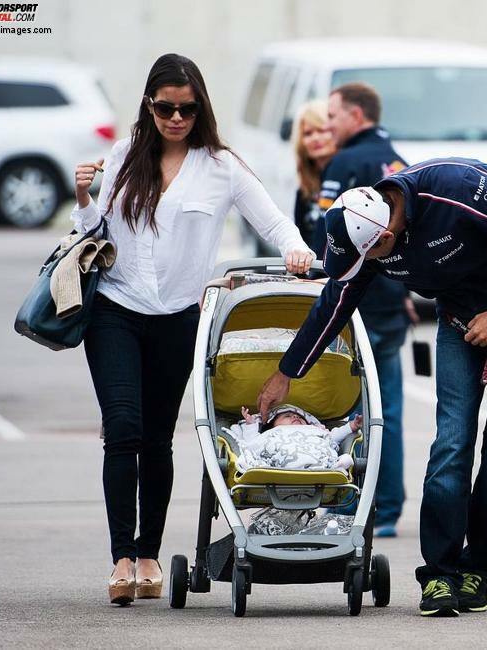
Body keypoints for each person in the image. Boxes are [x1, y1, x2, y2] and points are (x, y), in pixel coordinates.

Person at [257, 158, 487, 617]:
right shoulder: (365, 232)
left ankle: (477, 569)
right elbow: (337, 300)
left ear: (386, 237)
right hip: (460, 323)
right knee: (452, 443)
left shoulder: (457, 188)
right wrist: (287, 371)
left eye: (368, 260)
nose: (363, 269)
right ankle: (440, 575)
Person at [72, 53, 314, 607]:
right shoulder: (125, 155)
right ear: (149, 106)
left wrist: (296, 250)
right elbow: (90, 233)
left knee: (157, 437)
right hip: (115, 309)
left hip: (179, 317)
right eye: (164, 108)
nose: (175, 118)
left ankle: (150, 555)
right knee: (123, 429)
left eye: (186, 108)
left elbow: (274, 221)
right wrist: (85, 196)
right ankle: (121, 560)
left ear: (200, 106)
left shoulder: (222, 165)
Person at [316, 82, 417, 537]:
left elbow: (326, 237)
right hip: (394, 304)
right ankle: (391, 508)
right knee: (389, 410)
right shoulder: (398, 163)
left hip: (357, 307)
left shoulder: (345, 163)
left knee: (352, 413)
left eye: (334, 117)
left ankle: (360, 504)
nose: (329, 125)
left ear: (357, 116)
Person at [226, 405, 361, 472]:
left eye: (299, 417)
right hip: (278, 460)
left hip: (314, 452)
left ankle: (331, 466)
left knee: (329, 445)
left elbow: (333, 437)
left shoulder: (314, 430)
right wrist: (251, 425)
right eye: (287, 416)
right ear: (273, 425)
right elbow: (253, 443)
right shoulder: (271, 433)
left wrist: (351, 426)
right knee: (252, 454)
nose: (295, 417)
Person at [290, 99, 336, 254]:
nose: (315, 138)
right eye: (308, 133)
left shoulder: (348, 177)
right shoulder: (304, 190)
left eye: (321, 130)